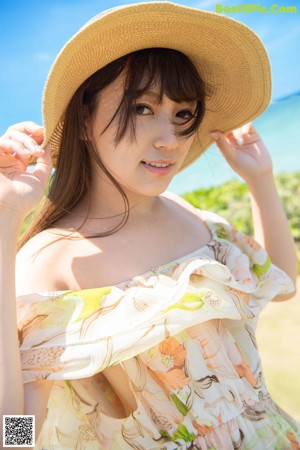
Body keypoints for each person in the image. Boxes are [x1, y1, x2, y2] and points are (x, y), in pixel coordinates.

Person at [0, 2, 299, 449]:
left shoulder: (188, 213)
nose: (169, 140)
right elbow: (15, 433)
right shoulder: (52, 259)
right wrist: (6, 223)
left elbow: (283, 282)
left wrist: (260, 180)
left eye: (182, 115)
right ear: (83, 119)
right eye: (142, 108)